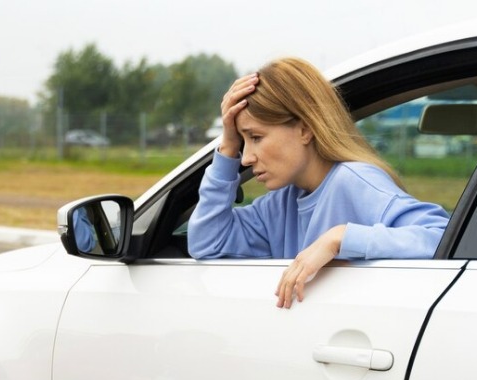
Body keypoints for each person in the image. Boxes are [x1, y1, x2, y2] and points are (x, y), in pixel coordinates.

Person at [188, 58, 450, 308]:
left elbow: (441, 238)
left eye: (255, 137)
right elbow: (207, 243)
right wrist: (228, 145)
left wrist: (339, 238)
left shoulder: (353, 181)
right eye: (242, 143)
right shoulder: (279, 205)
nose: (245, 158)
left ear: (305, 129)